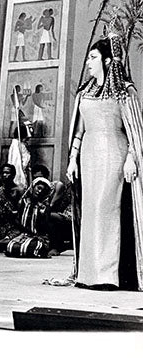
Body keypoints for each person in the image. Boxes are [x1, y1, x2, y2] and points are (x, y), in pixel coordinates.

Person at [66, 35, 143, 291]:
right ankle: (88, 274)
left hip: (114, 152)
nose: (88, 62)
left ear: (108, 61)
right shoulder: (85, 92)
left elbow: (135, 129)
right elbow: (79, 130)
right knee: (90, 210)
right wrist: (72, 159)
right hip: (89, 155)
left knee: (106, 208)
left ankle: (108, 274)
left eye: (93, 57)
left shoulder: (124, 91)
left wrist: (132, 156)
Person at [5, 177, 52, 258]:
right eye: (38, 188)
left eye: (43, 190)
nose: (39, 191)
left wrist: (42, 214)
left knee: (31, 246)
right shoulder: (23, 202)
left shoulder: (45, 207)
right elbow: (18, 220)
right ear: (33, 188)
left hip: (38, 236)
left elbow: (44, 226)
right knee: (11, 246)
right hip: (24, 234)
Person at [0, 163, 24, 253]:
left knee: (14, 240)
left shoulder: (19, 190)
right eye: (3, 173)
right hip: (0, 222)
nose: (4, 175)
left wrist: (14, 213)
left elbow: (22, 209)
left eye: (7, 173)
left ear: (13, 175)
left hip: (14, 224)